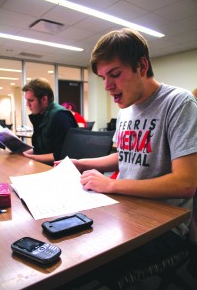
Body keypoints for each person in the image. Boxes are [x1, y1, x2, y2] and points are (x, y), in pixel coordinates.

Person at [56, 27, 197, 276]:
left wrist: (110, 186)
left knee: (76, 261)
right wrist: (84, 163)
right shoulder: (126, 109)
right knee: (60, 237)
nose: (108, 86)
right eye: (103, 78)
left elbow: (185, 183)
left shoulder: (179, 103)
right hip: (122, 209)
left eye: (115, 74)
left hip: (163, 226)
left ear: (141, 66)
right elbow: (125, 157)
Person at [22, 78, 78, 165]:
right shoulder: (41, 116)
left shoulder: (60, 117)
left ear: (44, 99)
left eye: (31, 100)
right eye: (27, 100)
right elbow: (40, 149)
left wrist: (32, 157)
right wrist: (22, 153)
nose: (27, 104)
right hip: (48, 167)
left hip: (61, 170)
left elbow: (61, 155)